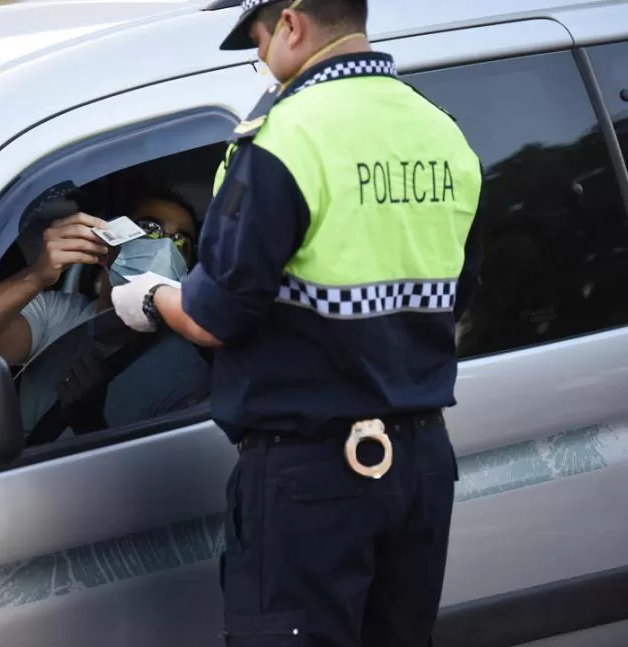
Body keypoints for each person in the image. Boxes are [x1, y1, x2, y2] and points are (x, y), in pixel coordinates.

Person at [110, 1, 485, 646]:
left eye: (256, 40)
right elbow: (457, 294)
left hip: (314, 475)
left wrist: (150, 297)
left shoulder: (286, 136)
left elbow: (211, 316)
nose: (260, 60)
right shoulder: (442, 132)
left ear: (291, 24)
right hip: (421, 465)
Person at [0, 188, 210, 431]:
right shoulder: (58, 314)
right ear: (111, 239)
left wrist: (89, 421)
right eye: (150, 229)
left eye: (181, 242)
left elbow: (164, 476)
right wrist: (37, 276)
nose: (165, 246)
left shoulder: (188, 367)